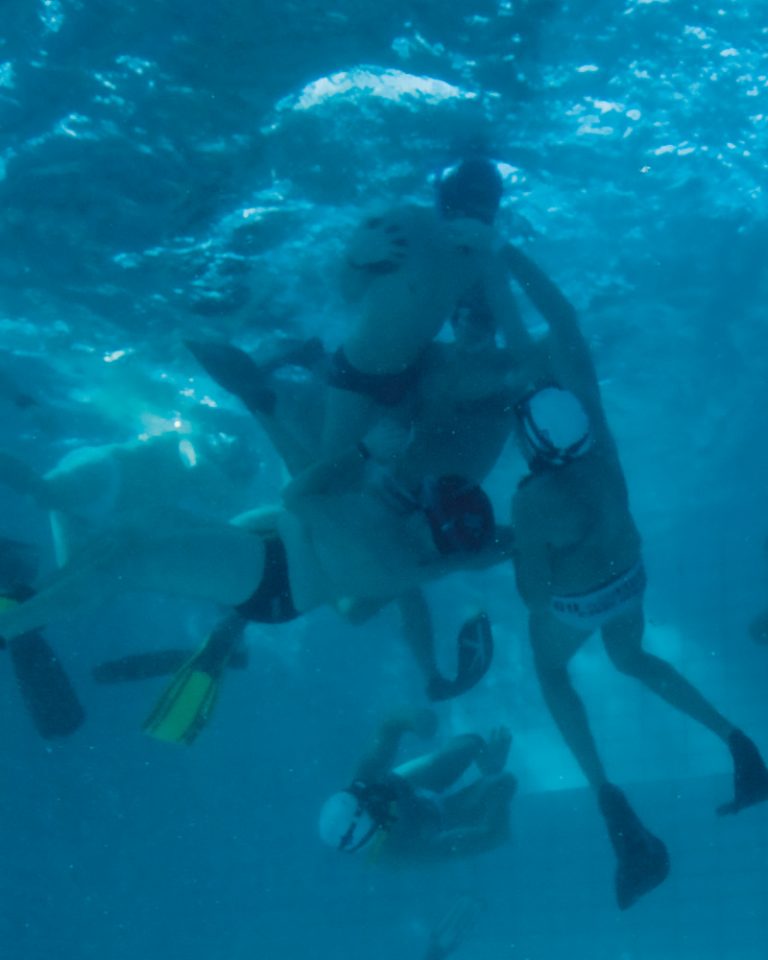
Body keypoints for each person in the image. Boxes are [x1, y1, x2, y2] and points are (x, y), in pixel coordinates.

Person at [503, 244, 768, 909]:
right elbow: (563, 320)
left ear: (532, 445)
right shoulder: (598, 434)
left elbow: (536, 595)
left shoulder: (531, 501)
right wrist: (508, 255)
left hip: (583, 597)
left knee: (552, 671)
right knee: (631, 659)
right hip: (631, 575)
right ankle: (741, 746)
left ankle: (610, 802)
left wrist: (513, 551)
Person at [0, 428, 510, 742]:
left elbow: (299, 493)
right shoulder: (412, 563)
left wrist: (362, 450)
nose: (421, 498)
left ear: (433, 523)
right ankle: (34, 600)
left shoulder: (392, 551)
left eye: (431, 502)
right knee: (132, 535)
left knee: (127, 562)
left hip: (266, 569)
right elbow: (475, 555)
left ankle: (17, 620)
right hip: (271, 569)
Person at [320, 155, 531, 457]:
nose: (469, 226)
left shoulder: (479, 257)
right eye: (466, 212)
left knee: (386, 480)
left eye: (482, 219)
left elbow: (502, 332)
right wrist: (354, 259)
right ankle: (313, 367)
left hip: (409, 376)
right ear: (446, 201)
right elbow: (349, 293)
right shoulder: (401, 225)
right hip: (356, 369)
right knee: (334, 473)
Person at [318, 708, 515, 865]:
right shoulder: (406, 852)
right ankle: (491, 773)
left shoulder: (364, 783)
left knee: (472, 744)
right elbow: (494, 836)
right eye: (375, 805)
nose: (376, 796)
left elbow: (390, 725)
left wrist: (416, 720)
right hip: (433, 820)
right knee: (500, 784)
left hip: (406, 790)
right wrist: (496, 780)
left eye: (366, 794)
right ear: (378, 829)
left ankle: (489, 771)